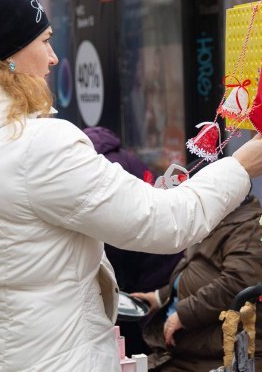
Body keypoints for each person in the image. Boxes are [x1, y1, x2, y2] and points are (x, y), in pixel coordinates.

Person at [0, 0, 262, 371]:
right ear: (7, 56)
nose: (54, 57)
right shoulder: (39, 146)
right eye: (44, 41)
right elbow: (165, 223)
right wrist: (241, 167)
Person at [132, 163, 262, 371]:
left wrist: (184, 315)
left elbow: (238, 283)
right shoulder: (218, 218)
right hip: (200, 348)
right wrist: (159, 297)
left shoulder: (252, 228)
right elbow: (196, 270)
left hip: (236, 353)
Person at [83, 125, 184, 356]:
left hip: (149, 260)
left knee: (141, 343)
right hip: (159, 251)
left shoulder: (99, 167)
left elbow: (117, 232)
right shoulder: (117, 157)